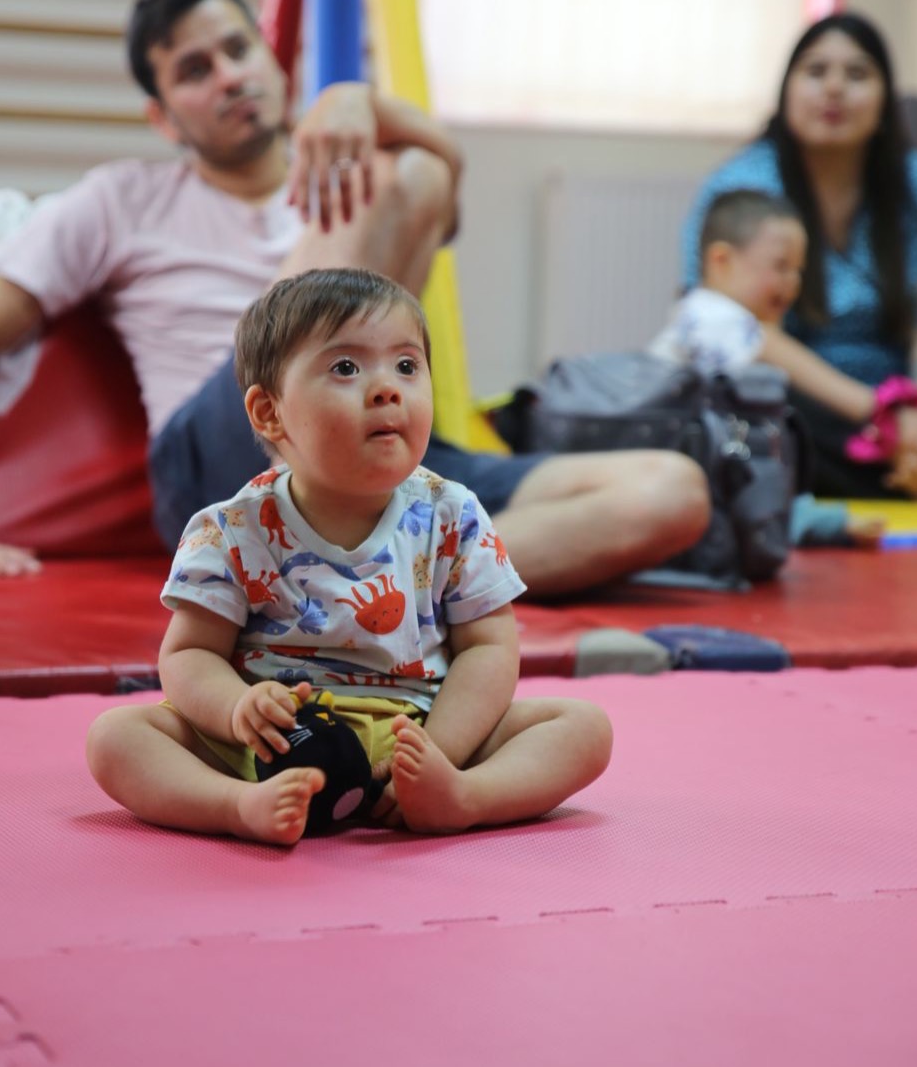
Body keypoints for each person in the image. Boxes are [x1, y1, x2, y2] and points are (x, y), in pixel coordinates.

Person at [0, 0, 710, 597]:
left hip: (381, 447)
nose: (229, 78)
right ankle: (319, 545)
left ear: (269, 58)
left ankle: (366, 588)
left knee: (670, 492)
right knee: (405, 171)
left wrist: (360, 100)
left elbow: (442, 185)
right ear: (163, 116)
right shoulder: (120, 200)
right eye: (194, 71)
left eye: (236, 49)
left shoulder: (352, 165)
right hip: (230, 453)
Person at [85, 268, 614, 843]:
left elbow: (489, 648)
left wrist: (440, 750)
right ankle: (238, 806)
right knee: (116, 736)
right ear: (269, 413)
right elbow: (188, 654)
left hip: (414, 733)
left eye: (407, 366)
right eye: (346, 367)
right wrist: (239, 709)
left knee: (583, 727)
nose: (388, 388)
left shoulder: (450, 515)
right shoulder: (230, 530)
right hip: (273, 740)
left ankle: (463, 800)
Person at [680, 12, 917, 500]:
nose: (834, 90)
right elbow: (743, 331)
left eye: (857, 74)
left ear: (886, 101)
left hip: (905, 397)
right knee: (762, 423)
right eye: (815, 72)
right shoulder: (743, 189)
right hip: (804, 393)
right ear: (787, 90)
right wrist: (881, 414)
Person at [652, 187, 884, 544]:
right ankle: (786, 517)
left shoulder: (702, 311)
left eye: (798, 270)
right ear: (721, 262)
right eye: (780, 266)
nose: (792, 283)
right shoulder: (720, 320)